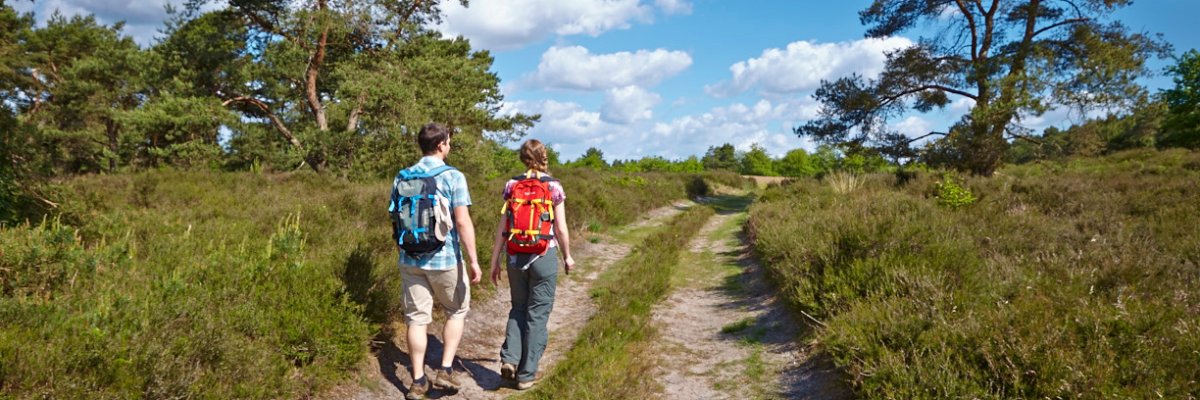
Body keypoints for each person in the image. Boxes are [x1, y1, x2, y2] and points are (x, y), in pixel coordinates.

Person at [395, 123, 481, 400]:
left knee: (416, 320)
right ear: (441, 144)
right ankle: (444, 370)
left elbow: (394, 216)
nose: (450, 146)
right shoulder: (453, 176)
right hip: (444, 259)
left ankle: (418, 381)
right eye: (449, 142)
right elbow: (462, 221)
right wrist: (474, 260)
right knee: (456, 311)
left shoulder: (402, 176)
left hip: (409, 257)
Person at [488, 139, 577, 390]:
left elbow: (503, 228)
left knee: (518, 307)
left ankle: (509, 359)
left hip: (515, 255)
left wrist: (495, 260)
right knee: (537, 314)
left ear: (522, 158)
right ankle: (526, 375)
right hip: (543, 255)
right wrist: (567, 256)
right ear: (544, 156)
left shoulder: (512, 185)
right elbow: (560, 228)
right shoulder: (553, 187)